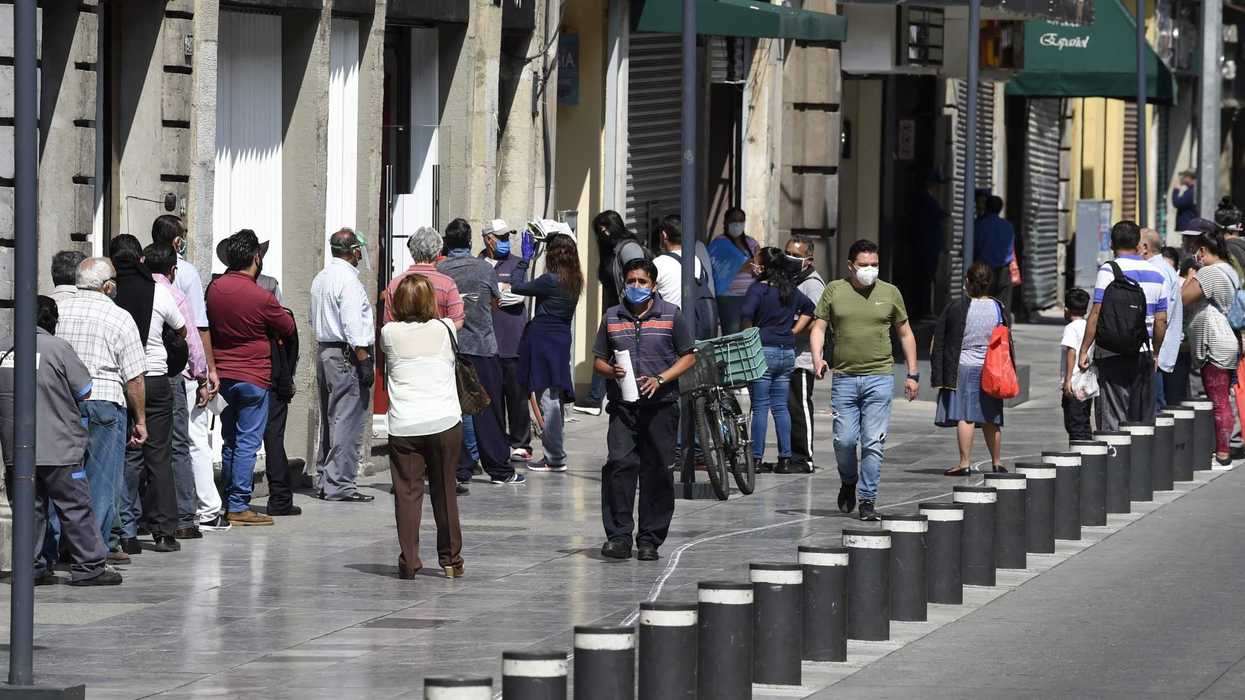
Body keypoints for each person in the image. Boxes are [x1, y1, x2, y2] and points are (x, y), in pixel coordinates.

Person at [0, 296, 120, 585]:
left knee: (30, 509)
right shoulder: (57, 348)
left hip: (16, 448)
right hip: (59, 447)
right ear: (52, 321)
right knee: (75, 507)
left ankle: (32, 565)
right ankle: (89, 566)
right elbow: (85, 390)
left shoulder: (4, 348)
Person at [593, 258, 696, 561]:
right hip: (623, 407)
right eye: (631, 281)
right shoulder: (612, 316)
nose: (635, 286)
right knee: (619, 466)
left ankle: (650, 539)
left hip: (661, 406)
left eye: (642, 281)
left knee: (657, 471)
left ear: (653, 286)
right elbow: (598, 359)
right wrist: (611, 371)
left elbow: (688, 356)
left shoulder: (671, 316)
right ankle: (619, 536)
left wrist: (661, 378)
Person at [809, 239, 920, 522]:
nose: (870, 270)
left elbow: (905, 334)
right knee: (844, 441)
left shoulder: (890, 292)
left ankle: (867, 500)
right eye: (863, 265)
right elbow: (818, 328)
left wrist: (912, 373)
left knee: (873, 442)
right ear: (851, 266)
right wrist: (817, 358)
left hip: (879, 378)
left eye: (874, 265)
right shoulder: (835, 290)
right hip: (844, 378)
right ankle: (849, 480)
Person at [56, 258, 147, 563]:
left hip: (64, 402)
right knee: (102, 480)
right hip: (105, 401)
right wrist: (141, 420)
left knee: (63, 477)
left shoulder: (59, 312)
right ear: (108, 286)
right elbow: (133, 377)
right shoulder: (119, 317)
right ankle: (95, 548)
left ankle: (60, 545)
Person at [206, 230, 296, 525]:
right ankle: (238, 504)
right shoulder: (261, 296)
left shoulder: (214, 289)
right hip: (254, 376)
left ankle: (229, 500)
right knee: (247, 443)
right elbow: (287, 326)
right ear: (256, 257)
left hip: (222, 374)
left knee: (229, 440)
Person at [382, 274, 465, 579]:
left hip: (405, 423)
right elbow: (457, 320)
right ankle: (451, 560)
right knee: (445, 491)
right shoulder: (444, 329)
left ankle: (409, 560)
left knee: (407, 494)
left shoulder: (388, 333)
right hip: (443, 419)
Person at [109, 235, 186, 554]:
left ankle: (126, 531)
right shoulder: (157, 291)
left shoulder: (110, 294)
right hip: (155, 378)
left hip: (121, 380)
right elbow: (181, 329)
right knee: (159, 455)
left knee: (128, 457)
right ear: (140, 259)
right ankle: (165, 531)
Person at [151, 215, 225, 531]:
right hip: (180, 367)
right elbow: (199, 326)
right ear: (178, 241)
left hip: (150, 368)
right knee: (193, 437)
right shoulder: (186, 272)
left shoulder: (142, 268)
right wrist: (208, 370)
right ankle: (206, 507)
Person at [437, 218, 523, 486]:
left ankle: (459, 468)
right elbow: (496, 302)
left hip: (449, 349)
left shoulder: (439, 271)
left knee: (453, 410)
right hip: (483, 348)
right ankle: (499, 469)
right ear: (470, 241)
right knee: (489, 409)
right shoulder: (484, 270)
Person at [144, 243, 209, 539]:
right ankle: (183, 516)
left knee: (139, 448)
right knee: (177, 445)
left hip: (135, 375)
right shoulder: (173, 294)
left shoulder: (135, 291)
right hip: (170, 376)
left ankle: (139, 517)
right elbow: (190, 337)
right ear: (173, 269)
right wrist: (201, 374)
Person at [1078, 221, 1169, 431]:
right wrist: (1156, 352)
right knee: (1141, 419)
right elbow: (1161, 320)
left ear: (1111, 243)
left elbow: (1096, 313)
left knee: (1112, 417)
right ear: (1139, 244)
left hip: (1112, 353)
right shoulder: (1157, 274)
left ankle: (1113, 460)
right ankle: (1140, 461)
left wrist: (1084, 349)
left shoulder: (1109, 270)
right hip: (1144, 353)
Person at [307, 228, 376, 503]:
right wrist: (364, 359)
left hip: (327, 352)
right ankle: (341, 484)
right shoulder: (347, 281)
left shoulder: (321, 278)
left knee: (332, 418)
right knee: (347, 420)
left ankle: (328, 478)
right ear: (353, 251)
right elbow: (351, 322)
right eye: (359, 249)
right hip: (347, 353)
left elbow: (314, 319)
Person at [513, 231, 583, 473]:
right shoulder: (575, 279)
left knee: (548, 400)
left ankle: (554, 457)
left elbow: (517, 286)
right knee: (555, 397)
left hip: (543, 340)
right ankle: (555, 453)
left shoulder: (549, 280)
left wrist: (525, 260)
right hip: (561, 339)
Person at [931, 262, 1010, 475]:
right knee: (991, 417)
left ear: (967, 282)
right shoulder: (998, 307)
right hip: (990, 367)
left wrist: (938, 371)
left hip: (964, 367)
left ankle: (964, 463)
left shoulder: (957, 307)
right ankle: (997, 462)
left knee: (965, 416)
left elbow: (941, 338)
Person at [741, 247, 814, 473]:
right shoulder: (790, 289)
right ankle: (785, 459)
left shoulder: (758, 290)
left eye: (756, 262)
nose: (753, 266)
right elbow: (810, 308)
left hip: (764, 351)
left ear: (764, 267)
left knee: (761, 407)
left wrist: (748, 340)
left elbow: (745, 316)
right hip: (787, 353)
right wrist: (793, 331)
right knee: (781, 407)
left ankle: (756, 459)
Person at [1181, 229, 1240, 465]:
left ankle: (1223, 451)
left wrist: (1191, 275)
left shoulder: (1211, 272)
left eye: (1197, 252)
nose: (1196, 256)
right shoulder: (1230, 270)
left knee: (1218, 398)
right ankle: (1221, 447)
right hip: (1226, 340)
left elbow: (1183, 297)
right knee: (1222, 397)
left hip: (1214, 341)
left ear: (1203, 250)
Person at [481, 219, 532, 463]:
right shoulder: (478, 264)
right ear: (488, 239)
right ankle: (497, 442)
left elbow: (517, 295)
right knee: (492, 398)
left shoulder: (516, 263)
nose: (505, 242)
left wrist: (496, 294)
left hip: (513, 340)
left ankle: (521, 443)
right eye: (500, 237)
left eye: (507, 237)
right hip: (487, 343)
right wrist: (500, 291)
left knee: (517, 396)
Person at [573, 211, 632, 416]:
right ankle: (595, 398)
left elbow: (635, 278)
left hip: (622, 311)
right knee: (605, 353)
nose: (602, 233)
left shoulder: (626, 249)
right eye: (599, 230)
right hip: (612, 310)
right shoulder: (611, 250)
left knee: (605, 353)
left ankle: (594, 399)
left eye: (605, 228)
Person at [786, 237, 826, 473]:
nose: (789, 258)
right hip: (785, 355)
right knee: (786, 408)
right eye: (787, 252)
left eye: (795, 255)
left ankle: (804, 457)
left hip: (801, 358)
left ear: (808, 260)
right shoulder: (789, 279)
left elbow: (818, 323)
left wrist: (790, 326)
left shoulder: (812, 284)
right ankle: (788, 455)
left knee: (799, 406)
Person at [1139, 228, 1185, 409]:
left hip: (1155, 351)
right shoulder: (1162, 268)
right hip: (1157, 350)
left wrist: (1155, 350)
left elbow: (1161, 316)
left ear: (1144, 247)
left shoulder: (1157, 270)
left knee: (1154, 406)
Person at [384, 226, 465, 327]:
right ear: (438, 252)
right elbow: (457, 322)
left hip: (404, 342)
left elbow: (388, 323)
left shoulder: (395, 283)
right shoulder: (447, 284)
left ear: (412, 251)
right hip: (436, 341)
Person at [653, 215, 718, 339]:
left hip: (672, 330)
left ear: (664, 235)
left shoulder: (658, 263)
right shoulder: (696, 260)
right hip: (697, 328)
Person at [708, 207, 760, 334]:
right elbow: (718, 266)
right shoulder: (719, 243)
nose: (737, 224)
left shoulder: (751, 242)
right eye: (733, 220)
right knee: (732, 335)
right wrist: (746, 263)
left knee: (749, 334)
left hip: (750, 295)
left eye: (740, 220)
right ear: (725, 222)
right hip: (728, 297)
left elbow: (760, 261)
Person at [1060, 288, 1094, 441]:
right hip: (1087, 384)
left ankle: (1079, 458)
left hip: (1074, 384)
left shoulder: (1070, 328)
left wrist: (1067, 380)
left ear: (1066, 310)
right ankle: (1088, 455)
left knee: (1074, 426)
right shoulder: (1089, 327)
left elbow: (1071, 352)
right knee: (1084, 422)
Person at [973, 195, 1016, 316]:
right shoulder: (1008, 226)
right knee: (1003, 306)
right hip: (1003, 270)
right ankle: (1003, 333)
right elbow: (1010, 248)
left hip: (984, 270)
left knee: (982, 303)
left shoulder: (979, 225)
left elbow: (975, 246)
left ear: (986, 207)